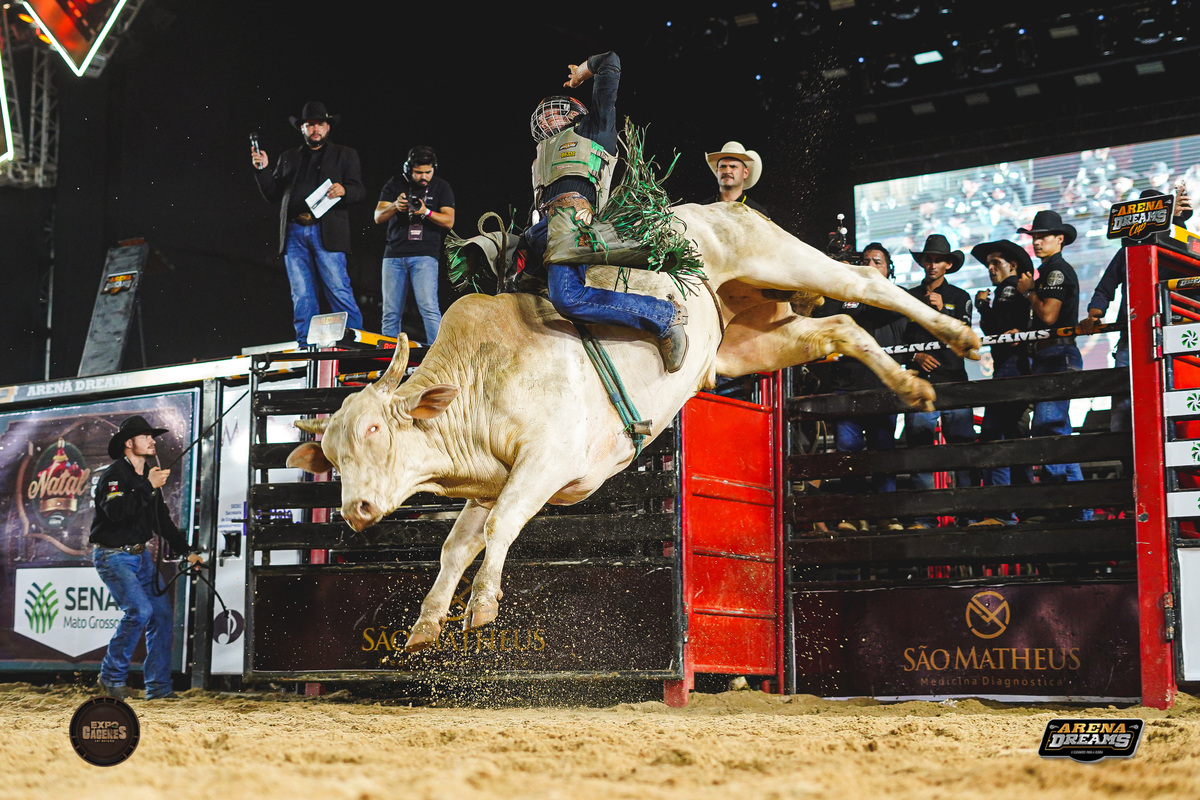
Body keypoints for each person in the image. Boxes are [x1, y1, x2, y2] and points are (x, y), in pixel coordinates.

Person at [526, 51, 688, 373]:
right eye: (543, 119)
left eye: (554, 113)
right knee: (498, 254)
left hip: (575, 224)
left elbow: (610, 61)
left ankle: (663, 316)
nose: (547, 120)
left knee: (567, 298)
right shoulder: (542, 162)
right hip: (546, 228)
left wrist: (582, 73)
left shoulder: (595, 127)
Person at [90, 416, 203, 701]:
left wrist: (187, 552)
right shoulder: (114, 475)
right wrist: (148, 486)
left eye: (152, 436)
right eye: (146, 436)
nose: (153, 440)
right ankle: (111, 677)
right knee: (140, 612)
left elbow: (161, 520)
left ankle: (159, 688)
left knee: (161, 615)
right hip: (113, 556)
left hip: (139, 558)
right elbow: (115, 512)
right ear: (129, 443)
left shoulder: (147, 476)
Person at [1079, 187, 1193, 434]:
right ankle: (1129, 451)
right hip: (1135, 336)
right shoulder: (1128, 251)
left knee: (1164, 395)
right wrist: (1094, 315)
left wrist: (1177, 220)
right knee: (1127, 401)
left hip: (1169, 334)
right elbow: (1105, 287)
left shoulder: (1176, 243)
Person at [252, 101, 364, 346]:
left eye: (320, 124)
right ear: (302, 128)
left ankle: (353, 340)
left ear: (328, 127)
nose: (315, 129)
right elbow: (272, 194)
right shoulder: (289, 157)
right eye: (310, 124)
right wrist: (262, 170)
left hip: (327, 231)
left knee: (337, 288)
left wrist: (344, 190)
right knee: (302, 293)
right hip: (294, 231)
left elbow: (359, 191)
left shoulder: (345, 154)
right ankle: (306, 344)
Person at [814, 244, 907, 533]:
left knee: (882, 451)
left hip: (882, 387)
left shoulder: (897, 296)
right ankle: (853, 515)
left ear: (889, 269)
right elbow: (825, 318)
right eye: (865, 261)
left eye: (877, 262)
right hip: (847, 386)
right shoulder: (845, 297)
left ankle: (886, 515)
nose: (870, 265)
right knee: (848, 452)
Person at [1016, 209, 1090, 520]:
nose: (1037, 242)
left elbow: (1048, 315)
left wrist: (1028, 293)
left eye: (1043, 236)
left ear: (1060, 239)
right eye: (1034, 236)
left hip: (1056, 355)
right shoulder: (1050, 270)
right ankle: (1078, 510)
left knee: (1048, 427)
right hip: (1053, 356)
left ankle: (1060, 505)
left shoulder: (1055, 270)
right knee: (1056, 428)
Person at [901, 234, 975, 528]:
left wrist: (943, 311)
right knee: (920, 451)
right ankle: (924, 518)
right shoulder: (907, 297)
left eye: (938, 260)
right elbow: (899, 340)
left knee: (962, 450)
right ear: (922, 262)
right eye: (928, 259)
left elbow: (967, 340)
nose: (932, 265)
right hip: (919, 382)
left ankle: (968, 515)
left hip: (953, 380)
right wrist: (915, 356)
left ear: (949, 265)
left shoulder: (960, 297)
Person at [969, 239, 1034, 526]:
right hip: (1012, 369)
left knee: (996, 436)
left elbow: (999, 327)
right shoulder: (1011, 289)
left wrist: (983, 306)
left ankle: (1004, 511)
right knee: (1012, 437)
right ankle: (1023, 510)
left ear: (1013, 265)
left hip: (1012, 369)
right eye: (988, 264)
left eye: (996, 263)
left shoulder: (1009, 288)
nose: (991, 268)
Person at [374, 146, 456, 343]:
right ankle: (389, 356)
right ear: (408, 169)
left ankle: (437, 355)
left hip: (424, 255)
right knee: (390, 312)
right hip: (394, 255)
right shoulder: (395, 183)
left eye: (428, 172)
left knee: (429, 308)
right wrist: (395, 206)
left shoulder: (441, 186)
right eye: (418, 172)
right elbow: (377, 216)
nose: (424, 177)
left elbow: (449, 221)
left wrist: (426, 212)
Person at [703, 142, 768, 215]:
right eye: (723, 166)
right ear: (717, 172)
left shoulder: (757, 213)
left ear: (745, 173)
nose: (727, 171)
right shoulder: (702, 209)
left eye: (733, 166)